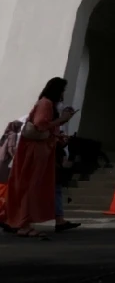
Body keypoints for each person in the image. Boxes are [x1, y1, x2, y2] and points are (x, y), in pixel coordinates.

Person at [0, 78, 78, 237]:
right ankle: (22, 223)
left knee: (29, 187)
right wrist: (62, 119)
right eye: (63, 90)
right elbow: (40, 125)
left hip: (38, 151)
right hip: (35, 153)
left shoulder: (46, 103)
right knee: (30, 187)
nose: (64, 94)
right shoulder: (46, 103)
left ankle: (19, 221)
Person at [0, 120, 22, 231]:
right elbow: (11, 148)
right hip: (5, 165)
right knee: (6, 189)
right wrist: (17, 158)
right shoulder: (13, 135)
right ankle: (4, 216)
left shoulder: (6, 134)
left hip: (1, 163)